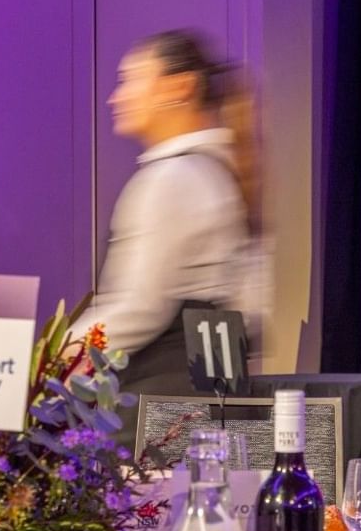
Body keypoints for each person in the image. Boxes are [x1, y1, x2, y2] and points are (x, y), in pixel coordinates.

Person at [81, 29, 260, 408]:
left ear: (179, 87)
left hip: (160, 409)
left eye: (130, 80)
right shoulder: (220, 171)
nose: (116, 97)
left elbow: (140, 308)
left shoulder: (172, 179)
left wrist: (55, 356)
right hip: (212, 400)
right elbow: (249, 313)